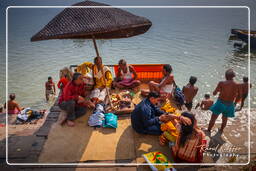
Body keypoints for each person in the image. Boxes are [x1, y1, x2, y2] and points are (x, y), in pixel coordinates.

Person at [207, 69, 240, 134]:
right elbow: (238, 96)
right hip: (230, 105)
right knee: (225, 119)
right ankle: (221, 130)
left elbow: (214, 93)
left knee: (213, 118)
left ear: (226, 76)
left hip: (220, 103)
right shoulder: (237, 85)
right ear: (233, 76)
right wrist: (235, 103)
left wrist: (220, 90)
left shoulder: (222, 83)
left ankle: (208, 130)